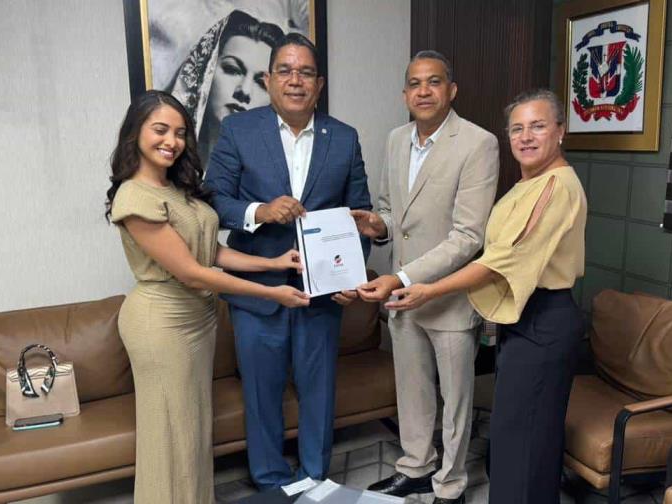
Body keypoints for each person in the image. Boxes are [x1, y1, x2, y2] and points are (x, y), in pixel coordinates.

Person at [104, 90, 310, 503]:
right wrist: (273, 293)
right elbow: (192, 271)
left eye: (180, 133)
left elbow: (210, 252)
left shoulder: (177, 188)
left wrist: (273, 262)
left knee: (193, 430)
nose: (172, 141)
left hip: (196, 320)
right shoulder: (135, 196)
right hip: (161, 323)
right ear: (135, 133)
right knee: (169, 435)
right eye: (160, 130)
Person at [384, 89, 587, 504]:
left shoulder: (557, 185)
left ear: (560, 131)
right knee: (515, 442)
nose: (525, 137)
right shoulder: (528, 183)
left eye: (538, 126)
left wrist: (428, 290)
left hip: (545, 320)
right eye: (517, 128)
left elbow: (501, 261)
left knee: (525, 446)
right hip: (524, 318)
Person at [204, 33, 372, 489]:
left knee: (319, 391)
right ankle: (271, 483)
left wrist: (350, 276)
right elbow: (212, 200)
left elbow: (360, 216)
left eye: (305, 72)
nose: (295, 80)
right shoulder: (238, 130)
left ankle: (315, 480)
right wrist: (259, 211)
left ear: (319, 84)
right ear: (268, 79)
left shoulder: (344, 138)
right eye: (285, 70)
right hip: (258, 294)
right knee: (261, 395)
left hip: (322, 294)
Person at [351, 50, 498, 504]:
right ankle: (416, 467)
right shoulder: (396, 140)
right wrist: (378, 225)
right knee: (412, 391)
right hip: (403, 298)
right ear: (405, 95)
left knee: (455, 400)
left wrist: (400, 276)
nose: (424, 91)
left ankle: (450, 484)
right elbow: (392, 211)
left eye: (434, 82)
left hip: (448, 297)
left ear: (451, 91)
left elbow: (468, 236)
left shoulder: (478, 143)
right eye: (415, 83)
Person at [168, 10, 285, 164]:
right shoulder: (169, 162)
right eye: (232, 70)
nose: (245, 91)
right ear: (206, 71)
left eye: (261, 83)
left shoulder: (275, 169)